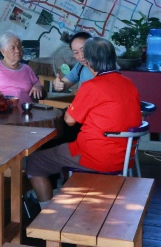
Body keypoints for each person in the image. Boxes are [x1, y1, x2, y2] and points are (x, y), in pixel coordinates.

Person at [26, 37, 142, 202]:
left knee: (34, 162)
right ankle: (66, 194)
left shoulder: (92, 86)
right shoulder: (128, 83)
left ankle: (45, 216)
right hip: (124, 157)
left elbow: (69, 120)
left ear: (88, 62)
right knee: (62, 150)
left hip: (95, 156)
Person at [0, 31, 43, 103]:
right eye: (13, 48)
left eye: (19, 47)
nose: (18, 51)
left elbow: (38, 83)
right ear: (3, 51)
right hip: (2, 109)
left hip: (25, 109)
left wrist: (37, 86)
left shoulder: (27, 69)